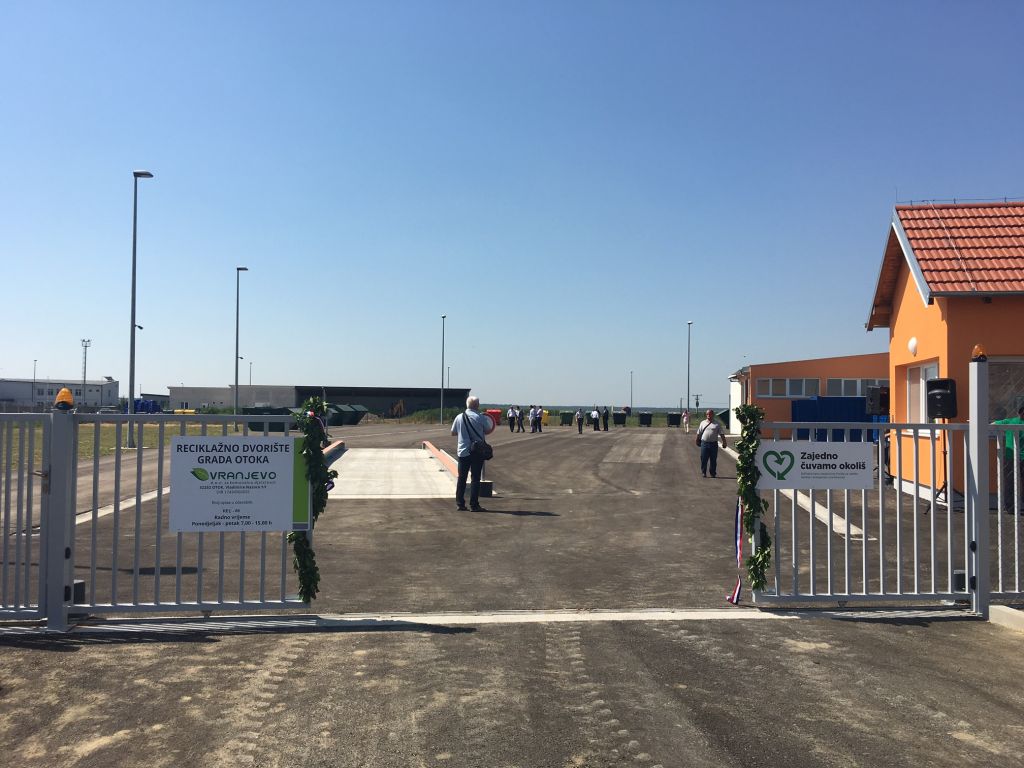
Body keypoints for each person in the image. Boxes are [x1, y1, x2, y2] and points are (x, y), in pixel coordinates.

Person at [451, 395, 494, 512]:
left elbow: (453, 432)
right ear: (477, 405)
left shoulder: (459, 417)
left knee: (462, 478)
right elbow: (488, 430)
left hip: (463, 451)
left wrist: (463, 434)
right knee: (475, 478)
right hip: (477, 451)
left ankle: (460, 503)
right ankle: (474, 505)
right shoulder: (480, 417)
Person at [994, 404, 1024, 514]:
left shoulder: (1010, 421)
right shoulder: (1011, 421)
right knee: (1011, 483)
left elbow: (993, 424)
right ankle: (1012, 507)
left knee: (1010, 483)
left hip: (1011, 457)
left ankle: (1010, 507)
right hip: (1014, 457)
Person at [696, 408, 727, 478]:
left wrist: (724, 442)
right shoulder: (703, 423)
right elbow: (699, 433)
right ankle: (703, 472)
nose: (708, 415)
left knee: (713, 459)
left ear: (713, 415)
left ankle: (713, 473)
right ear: (706, 415)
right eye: (707, 414)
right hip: (704, 443)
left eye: (710, 414)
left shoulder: (717, 424)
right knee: (703, 459)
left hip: (713, 444)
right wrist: (697, 440)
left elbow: (722, 434)